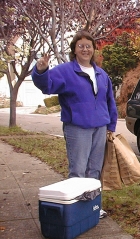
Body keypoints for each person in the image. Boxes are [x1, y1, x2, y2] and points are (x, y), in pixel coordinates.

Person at [32, 30, 118, 219]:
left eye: (89, 46)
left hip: (100, 128)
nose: (85, 49)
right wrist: (40, 70)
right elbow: (47, 85)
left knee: (94, 170)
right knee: (78, 170)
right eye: (81, 46)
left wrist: (111, 125)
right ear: (74, 49)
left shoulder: (101, 74)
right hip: (77, 127)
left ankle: (93, 207)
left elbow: (109, 100)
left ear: (94, 49)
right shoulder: (65, 71)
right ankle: (78, 211)